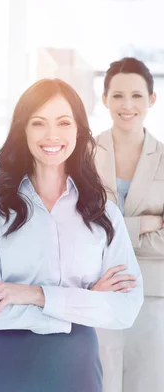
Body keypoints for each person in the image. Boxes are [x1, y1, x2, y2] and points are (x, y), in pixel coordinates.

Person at [0, 78, 144, 392]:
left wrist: (33, 294)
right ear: (23, 130)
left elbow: (125, 308)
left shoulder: (103, 213)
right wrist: (84, 302)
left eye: (63, 122)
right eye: (38, 123)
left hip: (76, 369)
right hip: (0, 367)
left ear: (78, 131)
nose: (51, 135)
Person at [95, 57, 164, 392]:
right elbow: (75, 228)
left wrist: (114, 230)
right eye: (117, 95)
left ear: (152, 100)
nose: (127, 105)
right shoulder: (81, 154)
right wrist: (143, 226)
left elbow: (97, 229)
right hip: (96, 290)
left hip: (153, 297)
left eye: (137, 96)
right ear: (104, 99)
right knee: (97, 382)